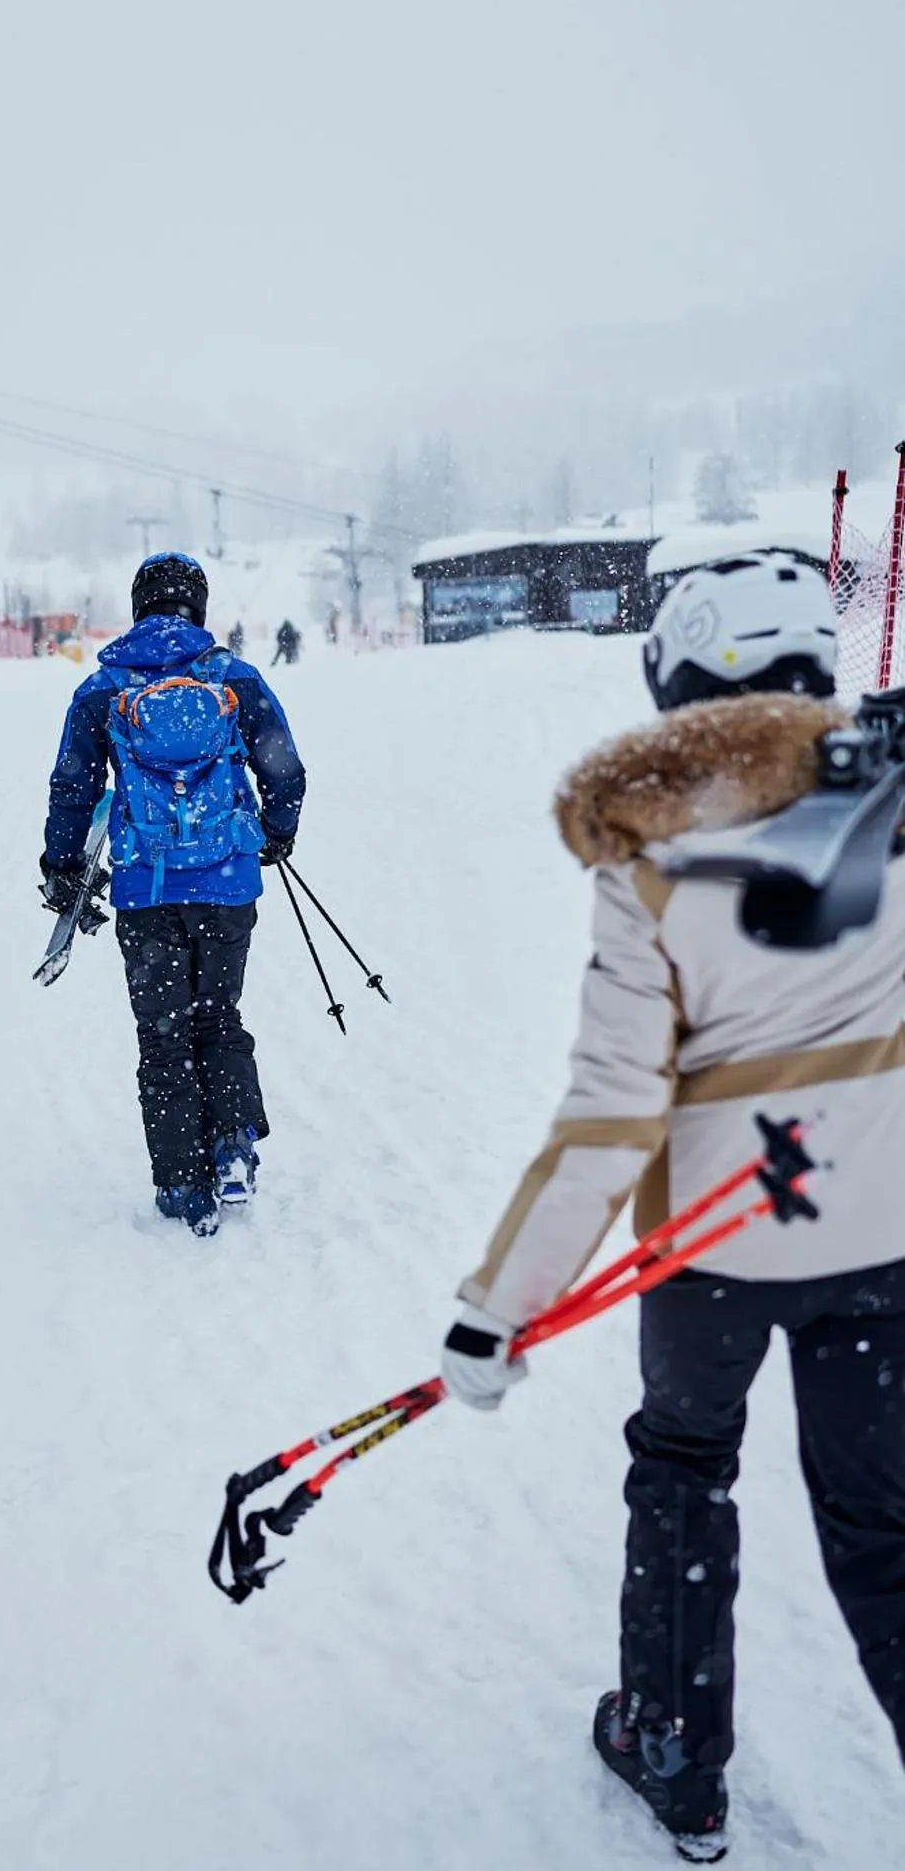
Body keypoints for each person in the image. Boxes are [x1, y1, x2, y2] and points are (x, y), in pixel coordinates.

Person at [439, 553, 905, 1861]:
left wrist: (499, 1310)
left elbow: (607, 1122)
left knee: (685, 1472)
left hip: (715, 1251)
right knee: (885, 1534)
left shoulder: (650, 864)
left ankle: (673, 1752)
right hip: (887, 1243)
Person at [40, 552, 306, 1238]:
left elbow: (72, 787)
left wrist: (62, 866)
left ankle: (181, 1187)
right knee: (218, 1016)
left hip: (145, 887)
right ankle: (234, 1147)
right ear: (199, 606)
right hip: (227, 881)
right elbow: (284, 769)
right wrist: (275, 835)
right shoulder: (232, 678)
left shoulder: (103, 689)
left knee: (162, 1037)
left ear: (139, 607)